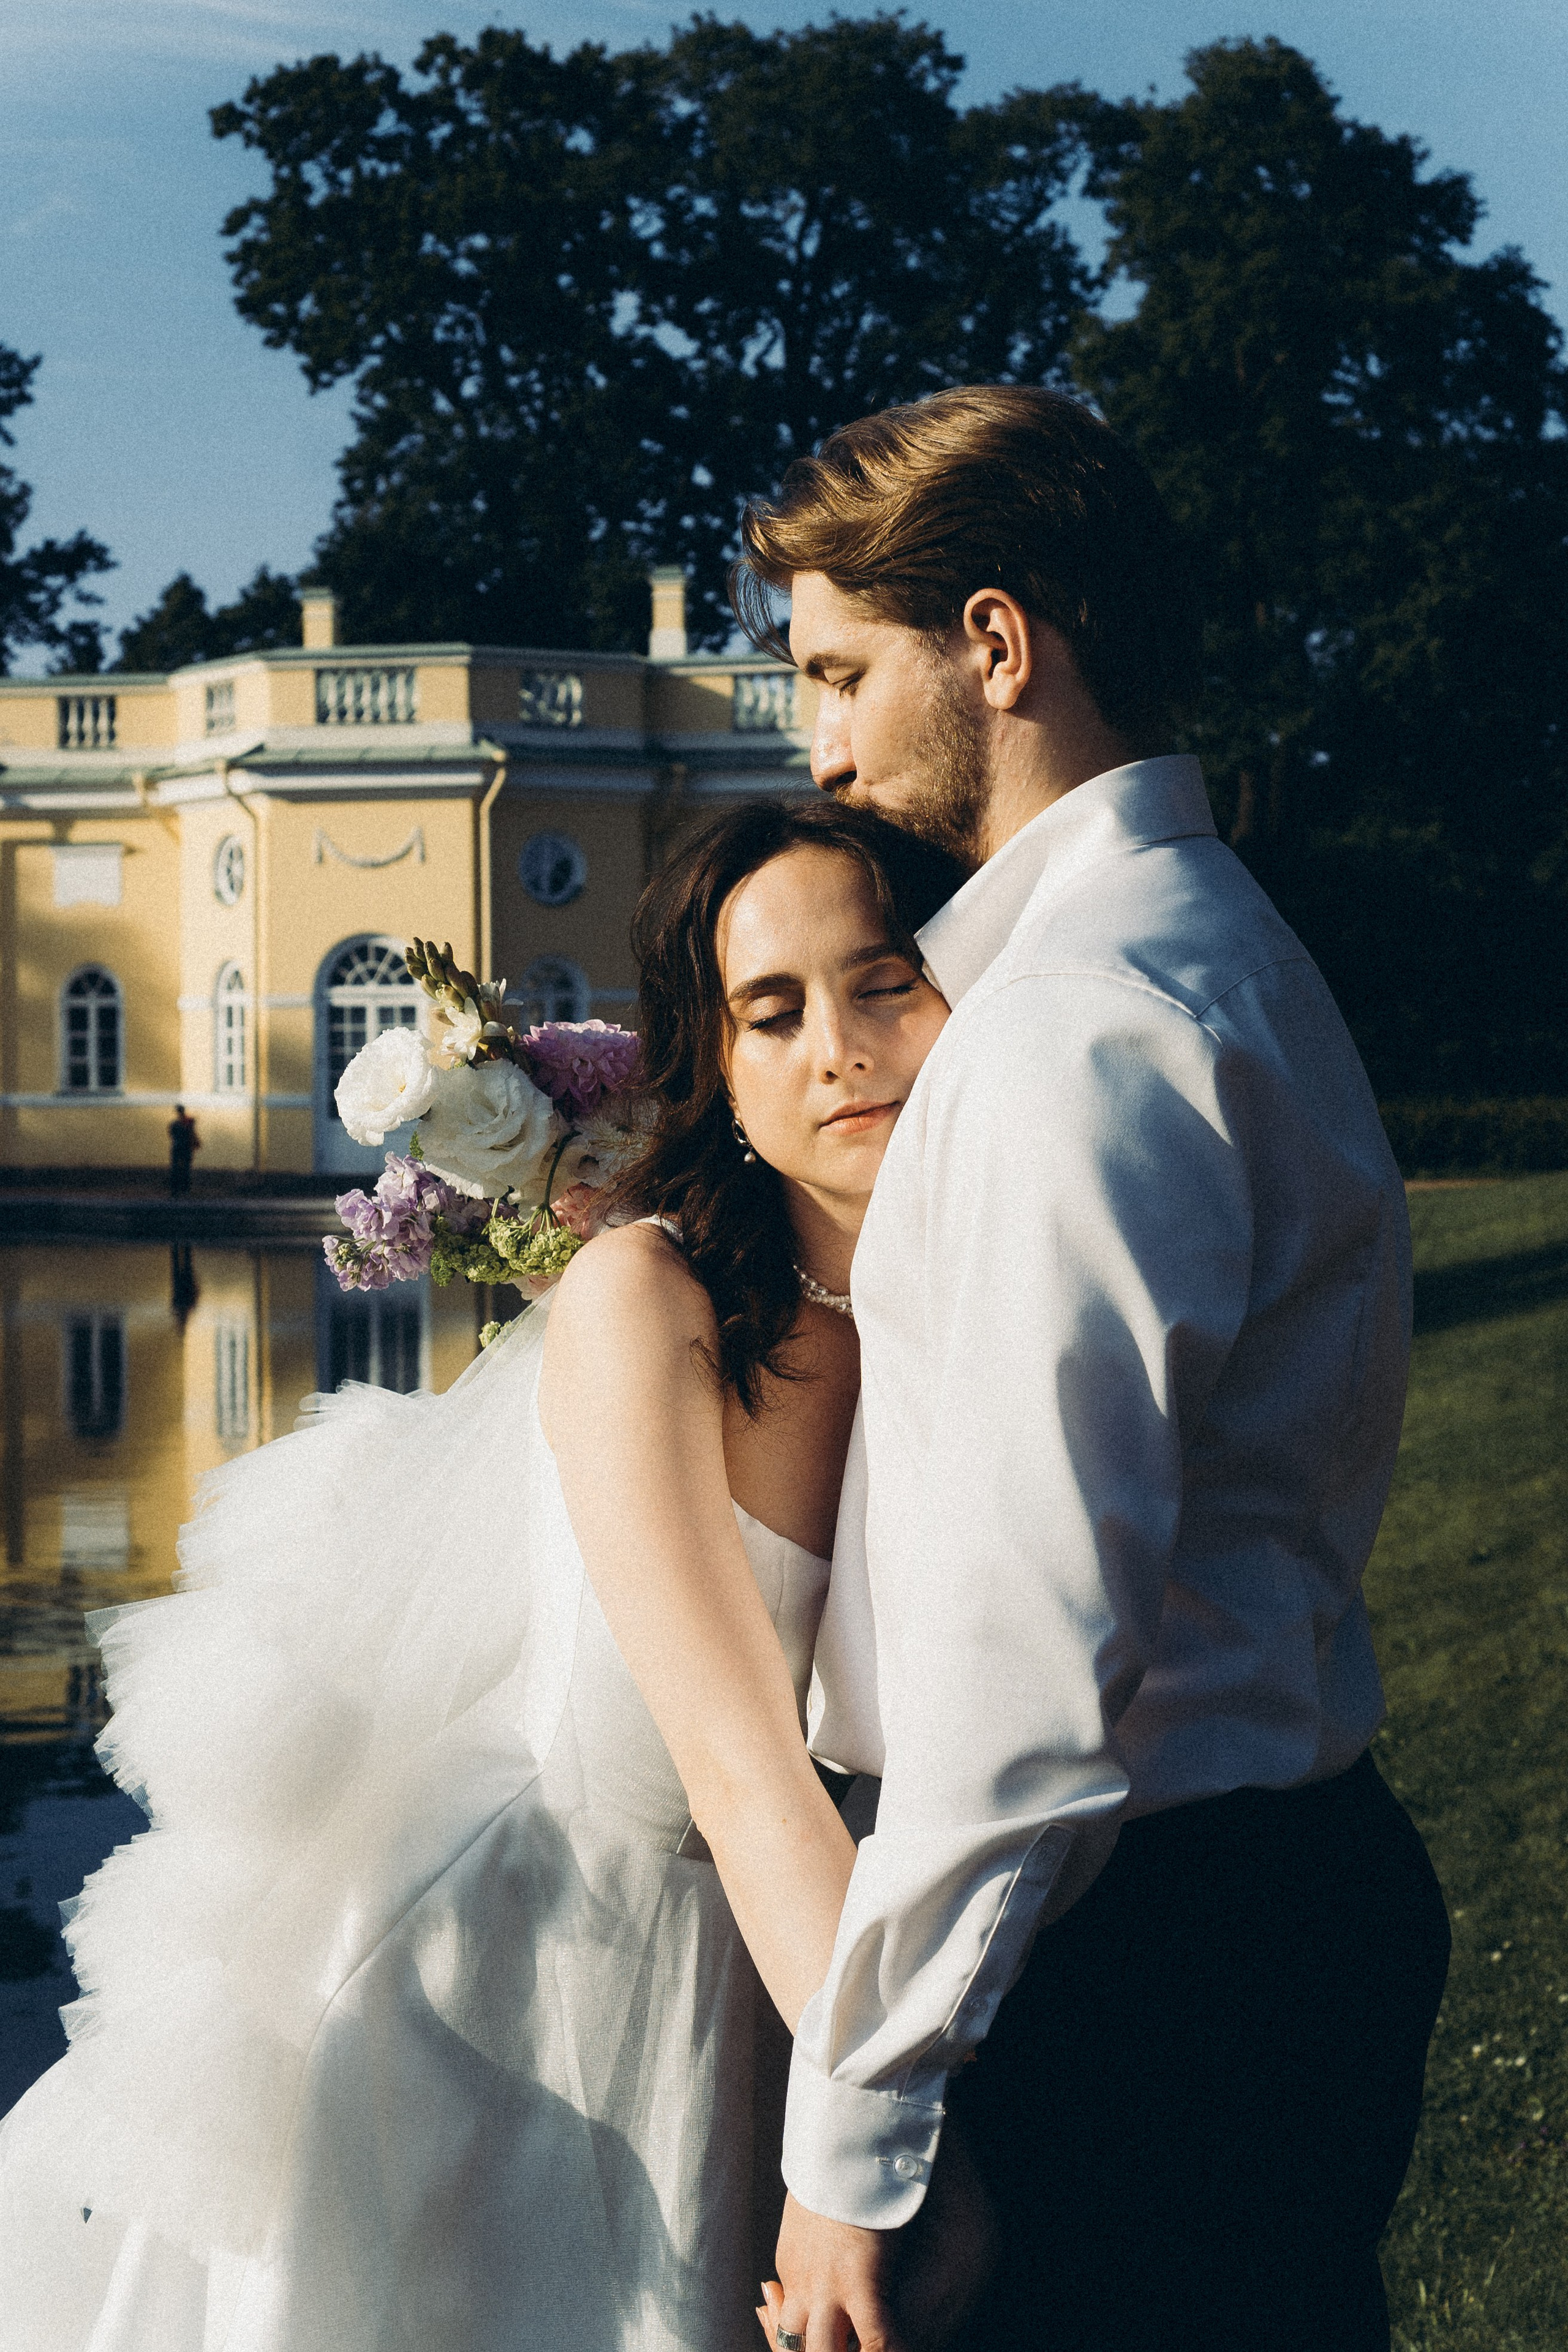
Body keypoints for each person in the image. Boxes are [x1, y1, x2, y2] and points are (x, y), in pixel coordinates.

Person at [0, 799, 967, 2352]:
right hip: (501, 1998)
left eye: (885, 981)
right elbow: (739, 1765)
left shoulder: (954, 1311)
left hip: (759, 1969)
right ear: (714, 1067)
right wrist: (899, 2133)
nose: (836, 1049)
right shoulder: (641, 1300)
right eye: (770, 1011)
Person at [735, 386, 1452, 2352]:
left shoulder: (1075, 1024)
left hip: (1144, 1951)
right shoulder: (1211, 943)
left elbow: (1029, 1662)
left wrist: (855, 2128)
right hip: (1251, 1892)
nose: (821, 749)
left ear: (992, 641)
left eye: (838, 675)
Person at [167, 1102, 200, 1196]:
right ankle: (185, 1189)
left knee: (176, 1168)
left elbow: (171, 1135)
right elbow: (192, 1133)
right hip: (186, 1148)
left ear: (178, 1112)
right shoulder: (189, 1122)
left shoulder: (174, 1124)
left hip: (177, 1147)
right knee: (186, 1168)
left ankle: (175, 1190)